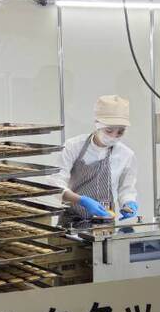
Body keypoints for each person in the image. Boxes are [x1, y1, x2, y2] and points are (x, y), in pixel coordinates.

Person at [55, 94, 139, 228]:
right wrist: (80, 200)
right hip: (71, 223)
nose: (114, 136)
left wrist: (128, 203)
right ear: (97, 124)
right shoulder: (73, 146)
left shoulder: (126, 155)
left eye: (120, 132)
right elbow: (55, 184)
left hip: (105, 224)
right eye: (109, 130)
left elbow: (126, 188)